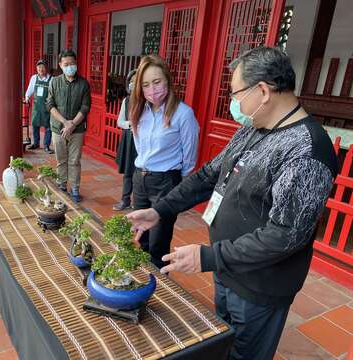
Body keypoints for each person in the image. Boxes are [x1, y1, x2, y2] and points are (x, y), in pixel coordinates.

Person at [127, 47, 338, 360]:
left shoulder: (306, 150)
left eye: (236, 93)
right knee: (224, 343)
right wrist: (161, 210)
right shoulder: (254, 126)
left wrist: (210, 257)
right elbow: (210, 174)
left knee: (245, 354)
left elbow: (284, 236)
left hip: (259, 286)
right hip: (228, 269)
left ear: (263, 91)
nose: (234, 102)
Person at [128, 55, 199, 269]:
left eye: (157, 82)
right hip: (140, 178)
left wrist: (176, 180)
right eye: (146, 85)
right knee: (141, 237)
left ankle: (160, 291)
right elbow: (139, 145)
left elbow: (190, 154)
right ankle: (141, 283)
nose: (152, 89)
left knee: (158, 244)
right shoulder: (139, 110)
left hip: (166, 182)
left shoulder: (183, 114)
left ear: (167, 79)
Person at [47, 49, 91, 203]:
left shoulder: (83, 84)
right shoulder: (54, 81)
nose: (70, 66)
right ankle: (61, 183)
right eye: (66, 64)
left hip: (77, 129)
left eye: (72, 63)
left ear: (76, 63)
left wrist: (72, 124)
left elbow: (85, 107)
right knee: (61, 159)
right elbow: (50, 104)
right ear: (60, 65)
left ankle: (75, 188)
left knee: (74, 160)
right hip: (58, 128)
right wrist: (65, 123)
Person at [113, 69, 137, 211]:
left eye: (137, 80)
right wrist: (130, 124)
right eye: (131, 81)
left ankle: (138, 202)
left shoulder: (149, 101)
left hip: (144, 142)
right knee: (128, 171)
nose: (134, 83)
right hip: (129, 139)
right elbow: (120, 121)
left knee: (140, 173)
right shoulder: (126, 101)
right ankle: (125, 199)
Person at [25, 59, 54, 154]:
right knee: (35, 125)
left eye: (43, 67)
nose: (41, 69)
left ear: (46, 68)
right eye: (39, 67)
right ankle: (36, 143)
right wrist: (27, 97)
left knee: (48, 127)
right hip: (36, 107)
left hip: (47, 107)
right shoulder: (34, 78)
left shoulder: (51, 79)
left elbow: (53, 93)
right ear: (37, 68)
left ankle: (46, 145)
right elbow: (30, 89)